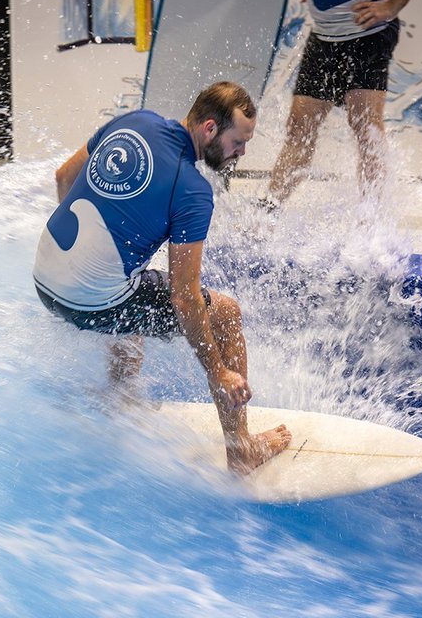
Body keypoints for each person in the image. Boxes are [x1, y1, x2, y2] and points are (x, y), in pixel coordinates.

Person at [33, 82, 293, 475]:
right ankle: (241, 451)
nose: (242, 152)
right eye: (238, 141)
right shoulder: (191, 190)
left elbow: (63, 177)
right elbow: (184, 298)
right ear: (209, 129)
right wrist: (218, 371)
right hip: (85, 300)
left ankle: (119, 395)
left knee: (129, 282)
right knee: (223, 313)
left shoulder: (135, 121)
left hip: (44, 277)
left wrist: (86, 259)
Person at [268, 0, 422, 203]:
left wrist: (393, 6)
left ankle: (371, 223)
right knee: (299, 127)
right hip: (323, 37)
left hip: (367, 34)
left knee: (366, 127)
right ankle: (269, 210)